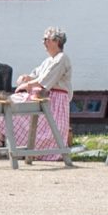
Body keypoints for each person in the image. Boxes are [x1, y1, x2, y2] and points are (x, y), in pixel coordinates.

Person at [12, 25, 74, 162]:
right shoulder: (48, 60)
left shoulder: (61, 58)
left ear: (57, 41)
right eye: (43, 39)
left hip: (55, 100)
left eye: (47, 39)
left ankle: (42, 151)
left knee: (49, 130)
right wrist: (26, 78)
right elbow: (36, 75)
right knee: (12, 103)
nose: (44, 43)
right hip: (44, 96)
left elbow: (45, 80)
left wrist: (27, 84)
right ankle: (7, 141)